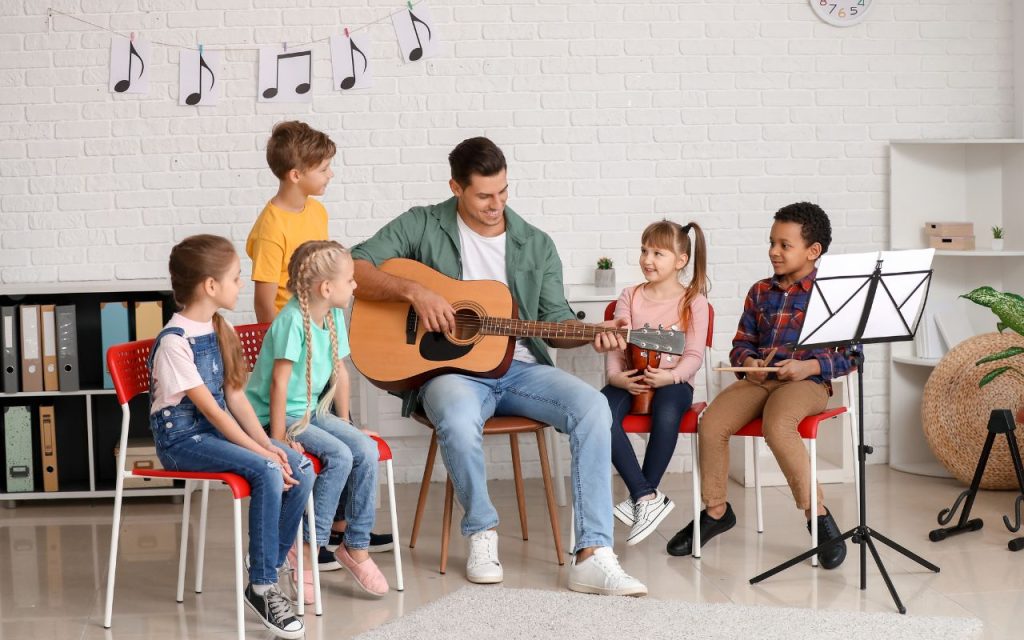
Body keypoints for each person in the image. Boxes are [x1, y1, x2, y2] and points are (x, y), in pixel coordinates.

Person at [350, 137, 647, 596]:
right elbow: (353, 266)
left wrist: (594, 332)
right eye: (484, 195)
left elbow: (552, 323)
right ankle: (482, 532)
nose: (497, 205)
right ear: (456, 187)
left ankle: (592, 554)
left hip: (522, 370)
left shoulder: (535, 243)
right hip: (451, 374)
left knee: (592, 407)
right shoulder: (422, 224)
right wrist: (415, 292)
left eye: (503, 192)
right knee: (456, 413)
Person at [666, 202, 851, 570]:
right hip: (761, 381)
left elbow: (852, 356)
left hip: (807, 382)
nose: (773, 251)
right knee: (713, 422)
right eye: (772, 242)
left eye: (785, 245)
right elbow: (742, 343)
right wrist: (748, 363)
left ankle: (817, 515)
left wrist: (808, 366)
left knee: (777, 424)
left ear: (813, 251)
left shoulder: (833, 292)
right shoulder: (760, 291)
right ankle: (716, 510)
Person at [149, 234, 313, 639]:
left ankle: (266, 565)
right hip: (182, 441)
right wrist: (264, 454)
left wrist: (272, 446)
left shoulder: (220, 328)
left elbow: (236, 398)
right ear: (210, 285)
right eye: (237, 278)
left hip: (214, 432)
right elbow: (213, 412)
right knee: (268, 470)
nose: (242, 285)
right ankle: (262, 587)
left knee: (302, 467)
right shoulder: (174, 342)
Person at [246, 120, 393, 556]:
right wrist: (289, 342)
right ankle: (316, 535)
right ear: (296, 174)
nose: (330, 174)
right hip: (293, 338)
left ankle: (341, 527)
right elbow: (262, 300)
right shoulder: (272, 225)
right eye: (324, 168)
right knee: (326, 438)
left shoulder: (316, 211)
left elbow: (327, 270)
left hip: (321, 331)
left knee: (348, 433)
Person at [247, 240, 389, 600]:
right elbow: (279, 384)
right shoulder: (291, 320)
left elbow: (340, 371)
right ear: (327, 287)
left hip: (311, 412)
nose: (355, 286)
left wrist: (348, 424)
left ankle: (355, 547)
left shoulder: (333, 316)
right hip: (276, 418)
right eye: (351, 280)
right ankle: (308, 548)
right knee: (340, 457)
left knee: (364, 449)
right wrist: (277, 439)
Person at [603, 220, 709, 546]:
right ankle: (647, 497)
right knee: (597, 414)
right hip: (629, 376)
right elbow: (617, 342)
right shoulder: (629, 295)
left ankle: (641, 495)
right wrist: (615, 376)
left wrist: (671, 376)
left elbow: (693, 355)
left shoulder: (694, 302)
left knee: (666, 413)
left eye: (658, 253)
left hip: (674, 381)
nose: (647, 259)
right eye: (644, 250)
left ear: (681, 260)